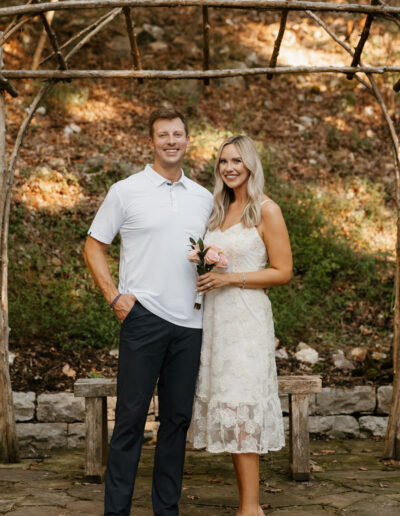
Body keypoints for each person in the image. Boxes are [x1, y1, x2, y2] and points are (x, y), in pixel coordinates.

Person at [83, 108, 214, 516]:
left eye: (178, 134)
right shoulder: (126, 190)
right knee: (130, 421)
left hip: (191, 323)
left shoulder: (204, 197)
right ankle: (116, 511)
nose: (171, 141)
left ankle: (166, 510)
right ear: (151, 142)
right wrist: (114, 296)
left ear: (188, 141)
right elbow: (93, 246)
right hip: (143, 319)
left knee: (176, 423)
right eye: (163, 135)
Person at [190, 135, 292, 516]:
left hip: (247, 319)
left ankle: (251, 508)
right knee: (230, 405)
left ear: (251, 164)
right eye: (223, 161)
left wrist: (229, 279)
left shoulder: (266, 210)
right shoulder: (219, 210)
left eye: (237, 160)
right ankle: (246, 503)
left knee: (243, 405)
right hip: (216, 320)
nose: (229, 168)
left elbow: (283, 272)